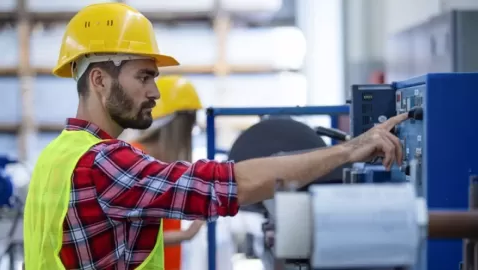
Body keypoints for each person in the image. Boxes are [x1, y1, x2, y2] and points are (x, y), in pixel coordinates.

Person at [23, 3, 409, 270]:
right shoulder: (104, 163)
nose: (155, 93)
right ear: (99, 80)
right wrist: (351, 149)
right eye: (144, 76)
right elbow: (230, 184)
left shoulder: (56, 156)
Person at [129, 75, 204, 270]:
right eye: (187, 128)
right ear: (173, 128)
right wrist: (186, 234)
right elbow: (125, 237)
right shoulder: (132, 162)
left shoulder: (164, 167)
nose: (188, 137)